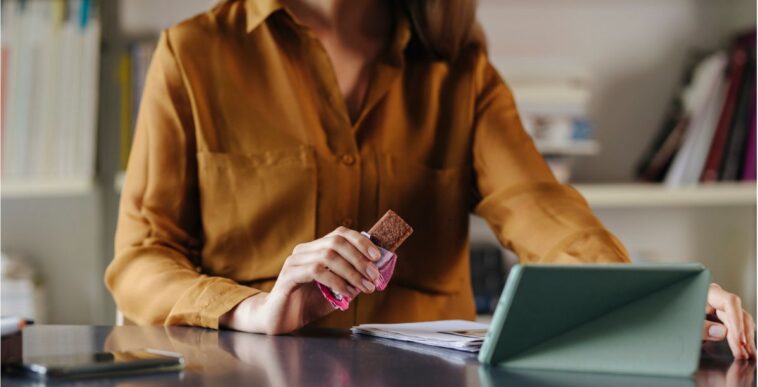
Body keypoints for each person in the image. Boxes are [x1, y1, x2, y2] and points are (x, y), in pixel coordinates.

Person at [104, 0, 755, 359]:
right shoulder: (194, 55)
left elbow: (536, 203)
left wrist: (648, 296)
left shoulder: (459, 66)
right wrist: (251, 307)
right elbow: (139, 259)